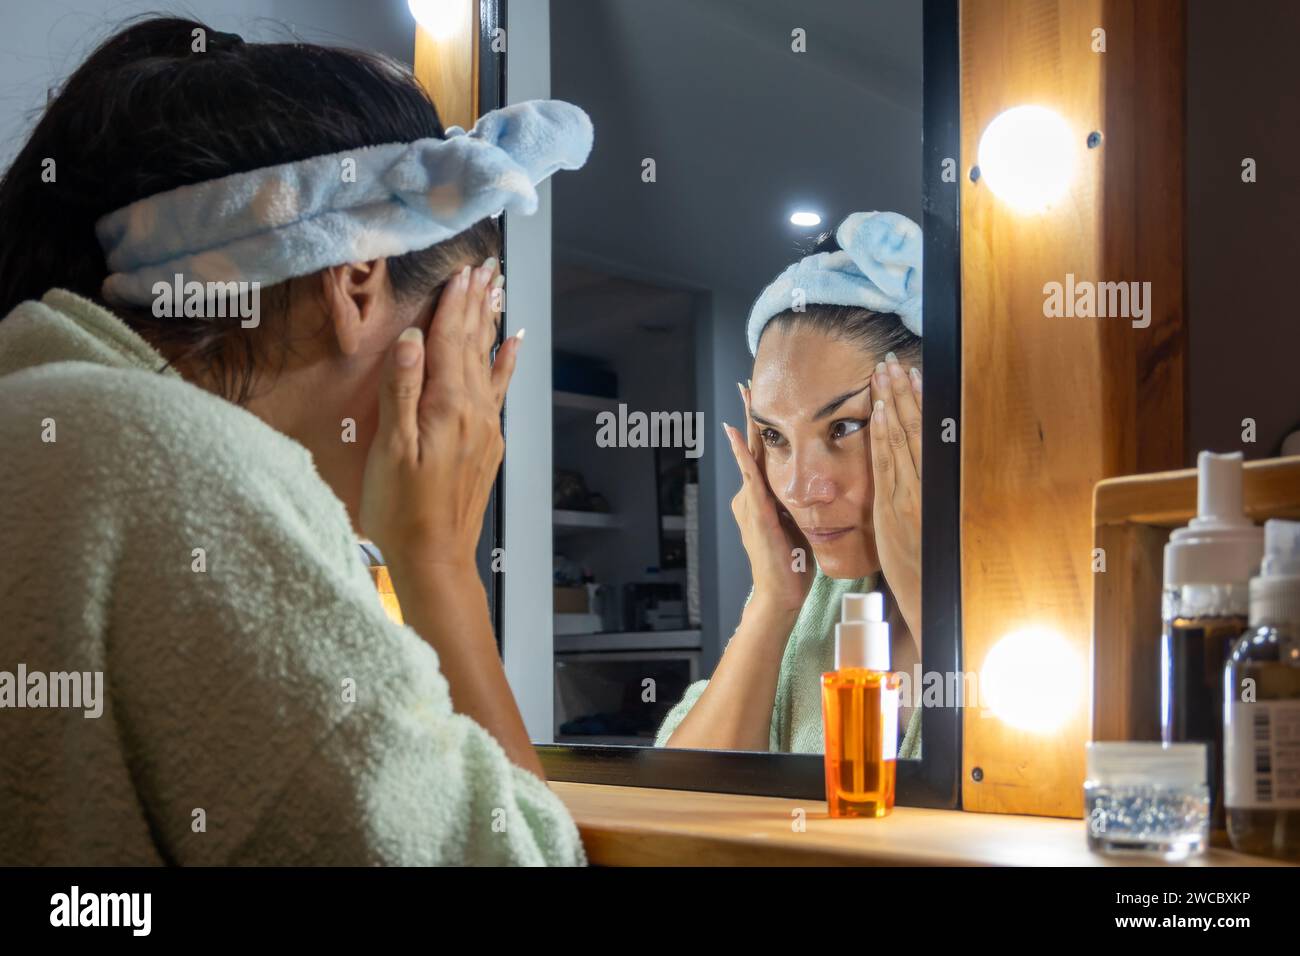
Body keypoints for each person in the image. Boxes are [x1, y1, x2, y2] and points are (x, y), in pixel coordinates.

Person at [0, 17, 591, 865]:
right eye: (476, 320)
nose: (482, 383)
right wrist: (436, 564)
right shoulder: (175, 465)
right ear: (354, 283)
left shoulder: (52, 419)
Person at [656, 212, 924, 756]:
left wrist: (929, 592)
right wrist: (773, 600)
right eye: (775, 438)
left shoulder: (1038, 598)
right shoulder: (815, 606)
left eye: (843, 427)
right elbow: (686, 806)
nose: (802, 490)